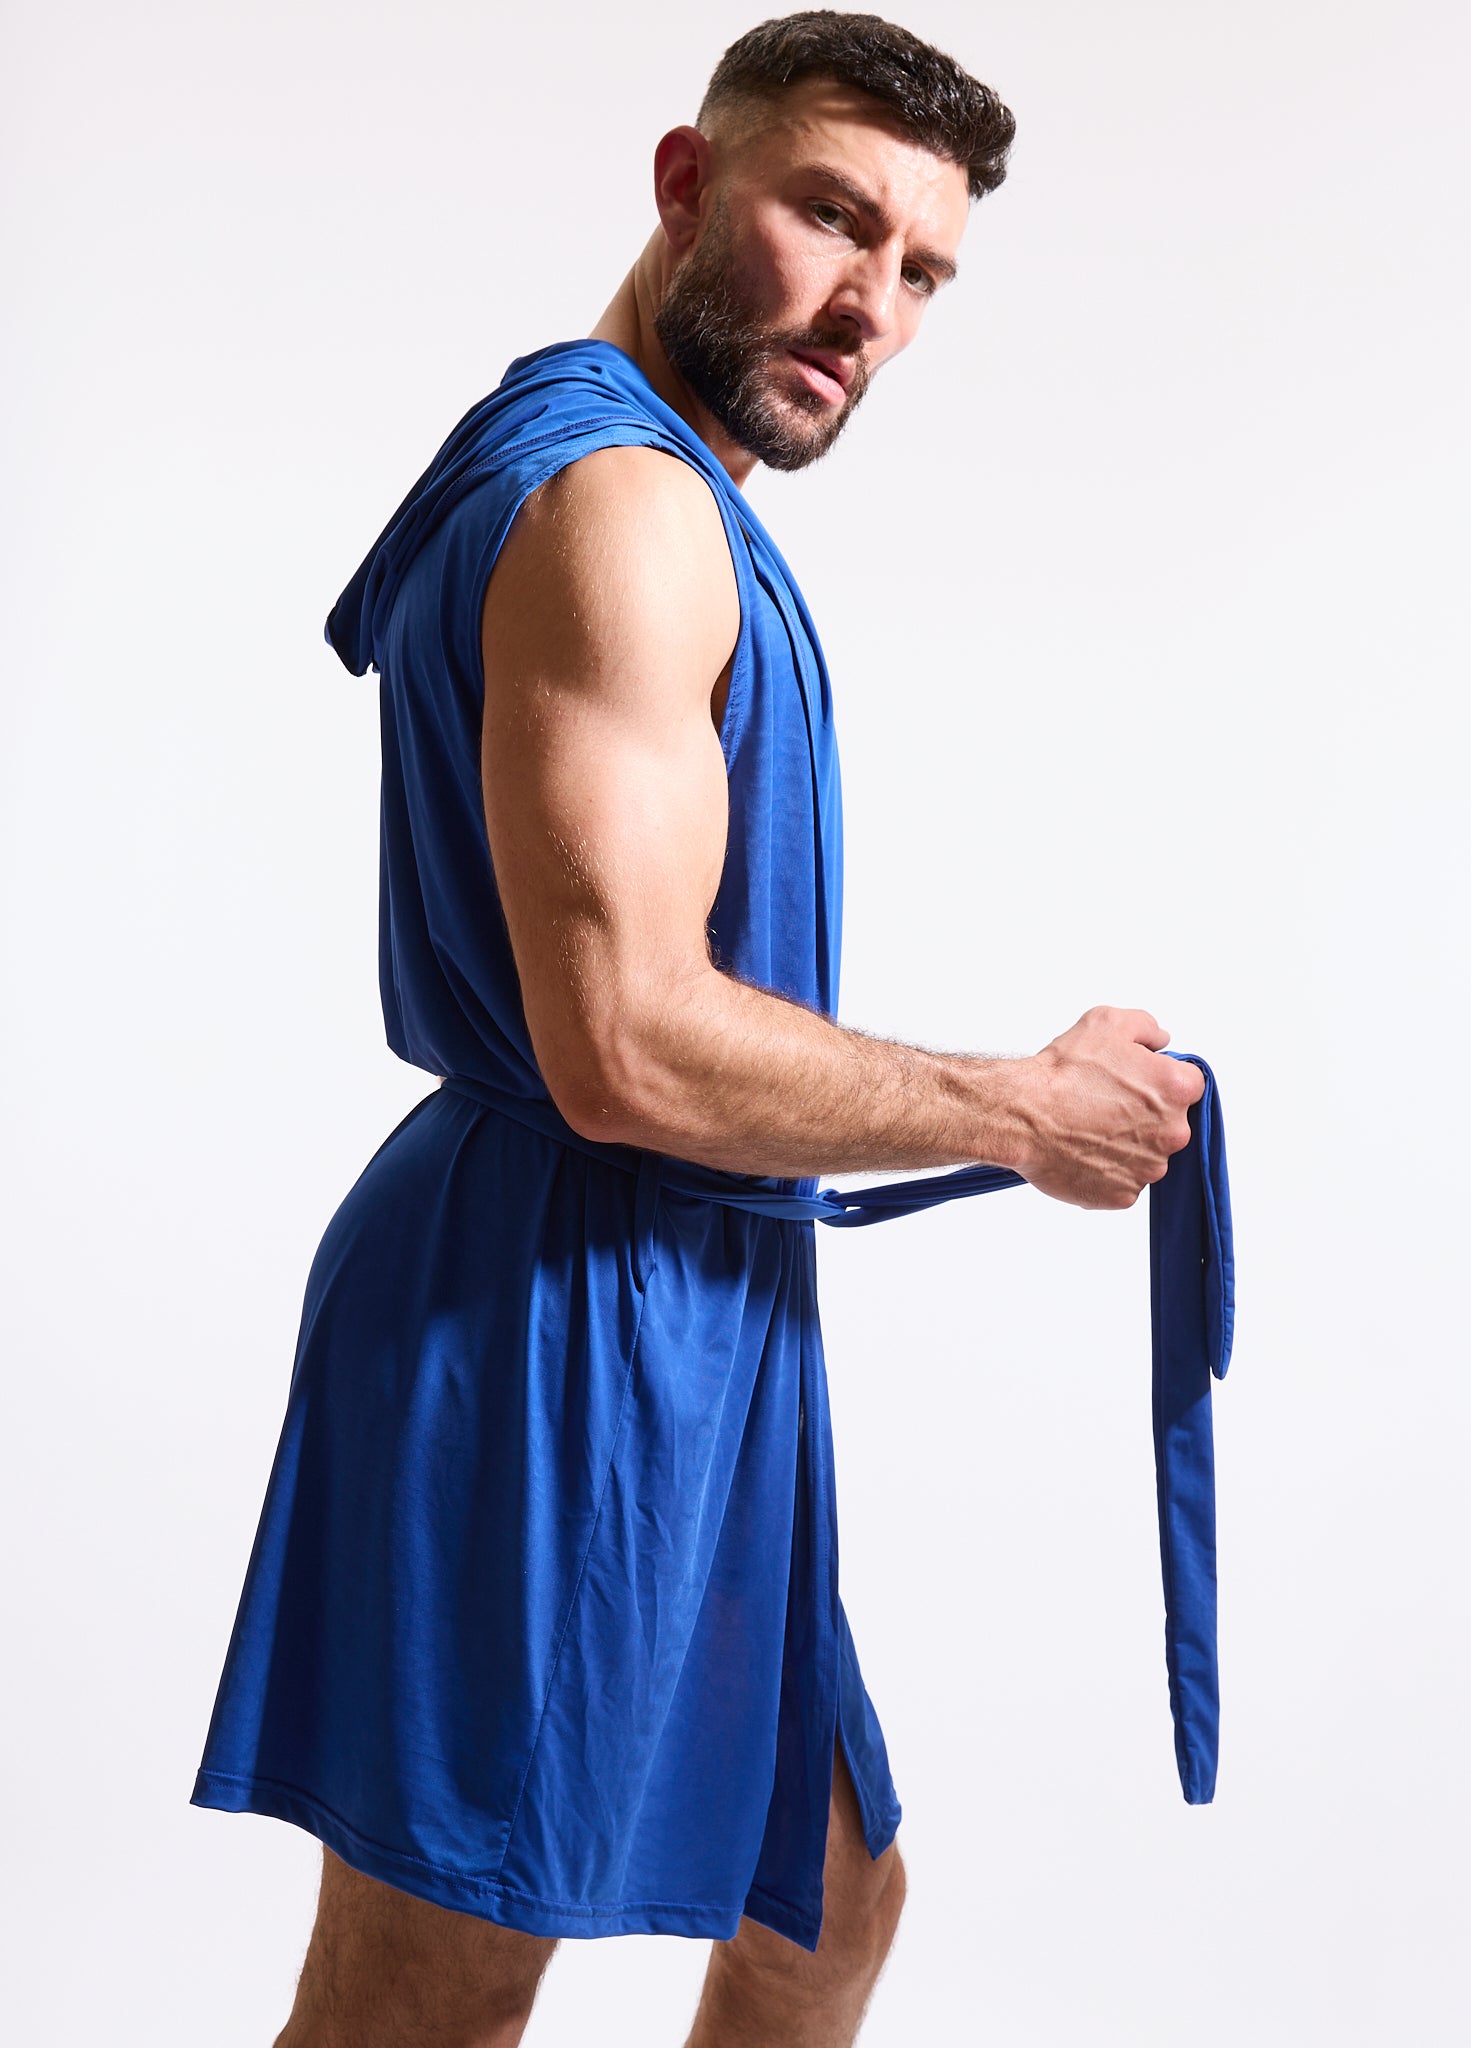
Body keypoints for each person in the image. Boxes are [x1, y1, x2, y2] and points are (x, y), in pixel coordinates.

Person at [192, 12, 1205, 2045]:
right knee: (433, 1996)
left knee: (824, 1903)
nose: (870, 306)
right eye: (831, 217)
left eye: (922, 270)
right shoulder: (621, 509)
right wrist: (1016, 1107)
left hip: (687, 1312)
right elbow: (627, 1046)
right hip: (550, 1321)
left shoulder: (648, 480)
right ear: (685, 184)